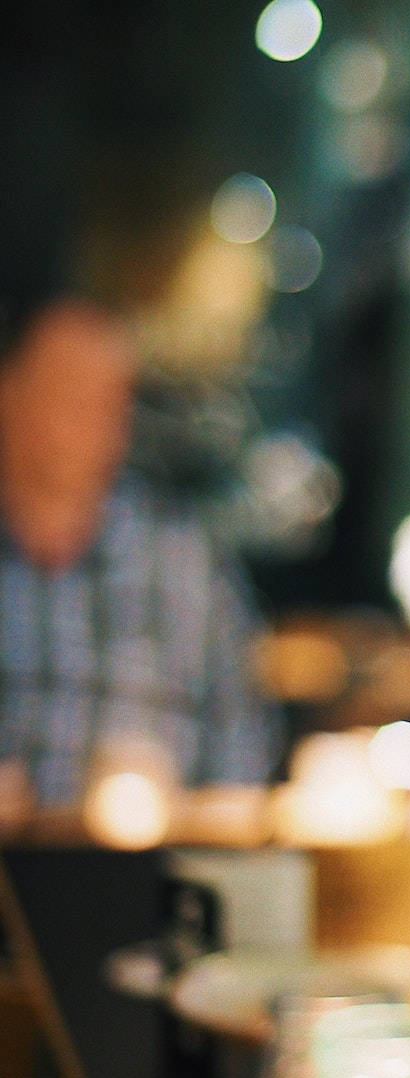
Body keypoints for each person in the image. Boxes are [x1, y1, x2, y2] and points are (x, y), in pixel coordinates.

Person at [0, 300, 281, 819]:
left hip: (151, 882)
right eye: (66, 391)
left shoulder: (186, 561)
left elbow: (242, 744)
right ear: (10, 394)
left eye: (109, 398)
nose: (92, 417)